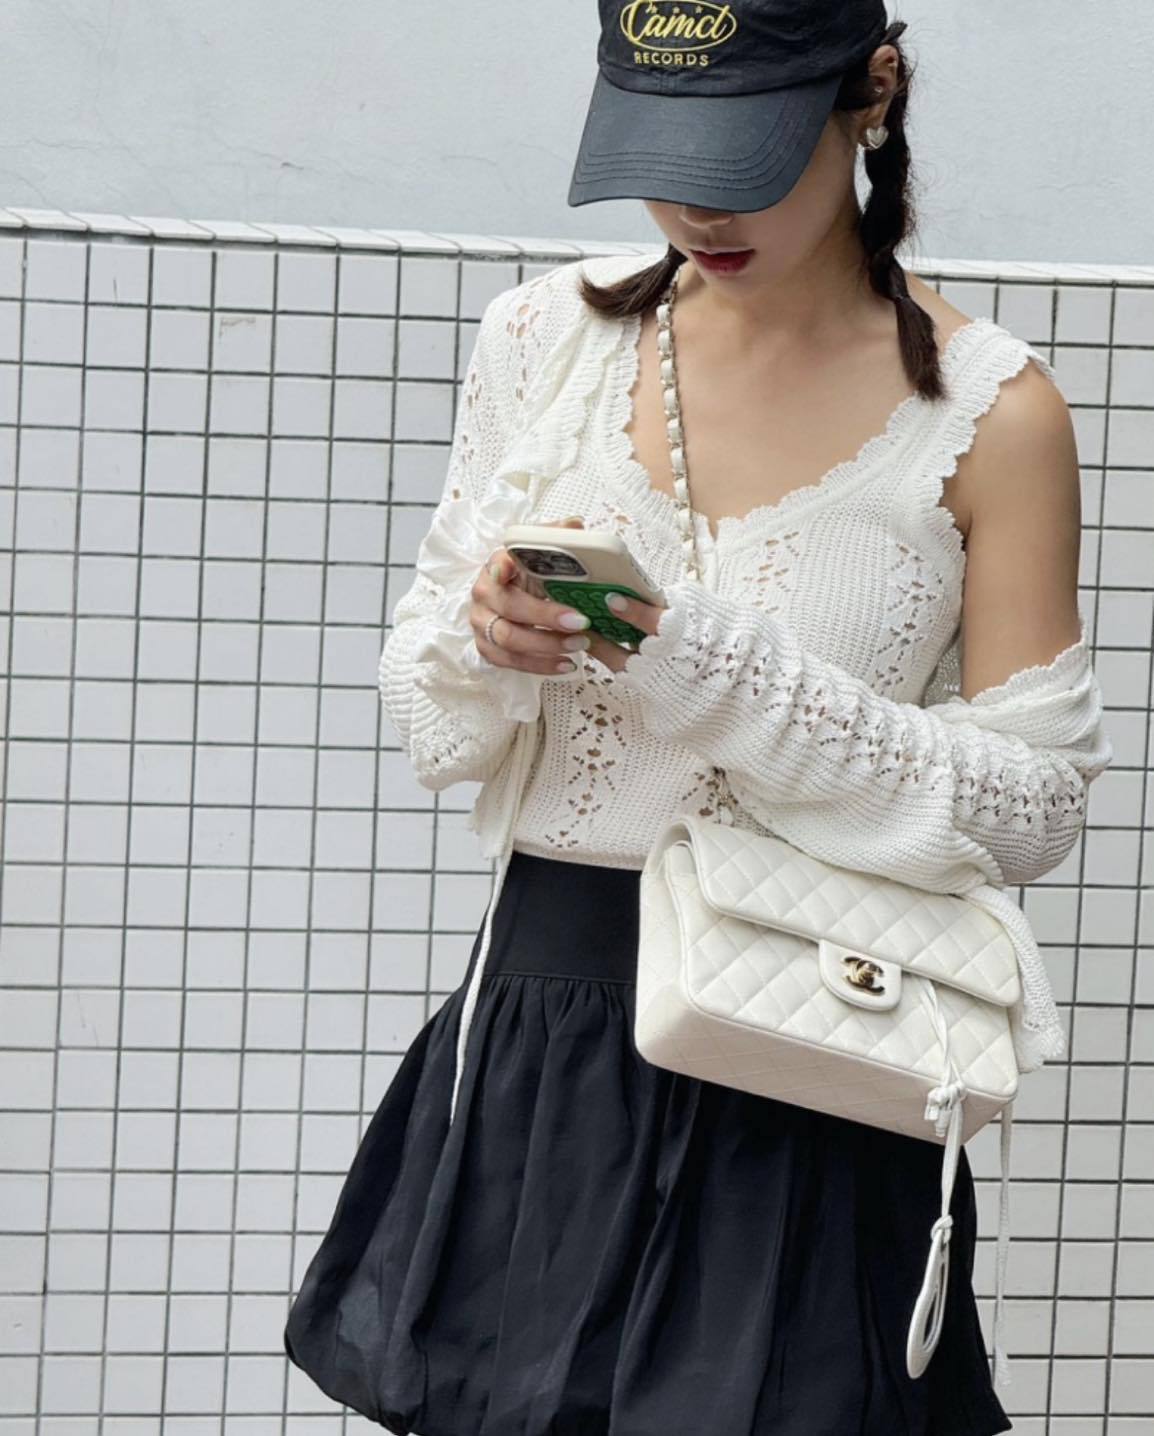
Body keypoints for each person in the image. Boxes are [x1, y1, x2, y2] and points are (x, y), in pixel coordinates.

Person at [283, 3, 1113, 1433]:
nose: (695, 208)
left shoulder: (992, 412)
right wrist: (490, 645)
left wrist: (704, 666)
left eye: (741, 154)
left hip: (811, 1045)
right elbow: (431, 722)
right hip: (548, 1028)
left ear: (870, 93)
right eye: (658, 156)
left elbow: (1031, 809)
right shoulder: (545, 339)